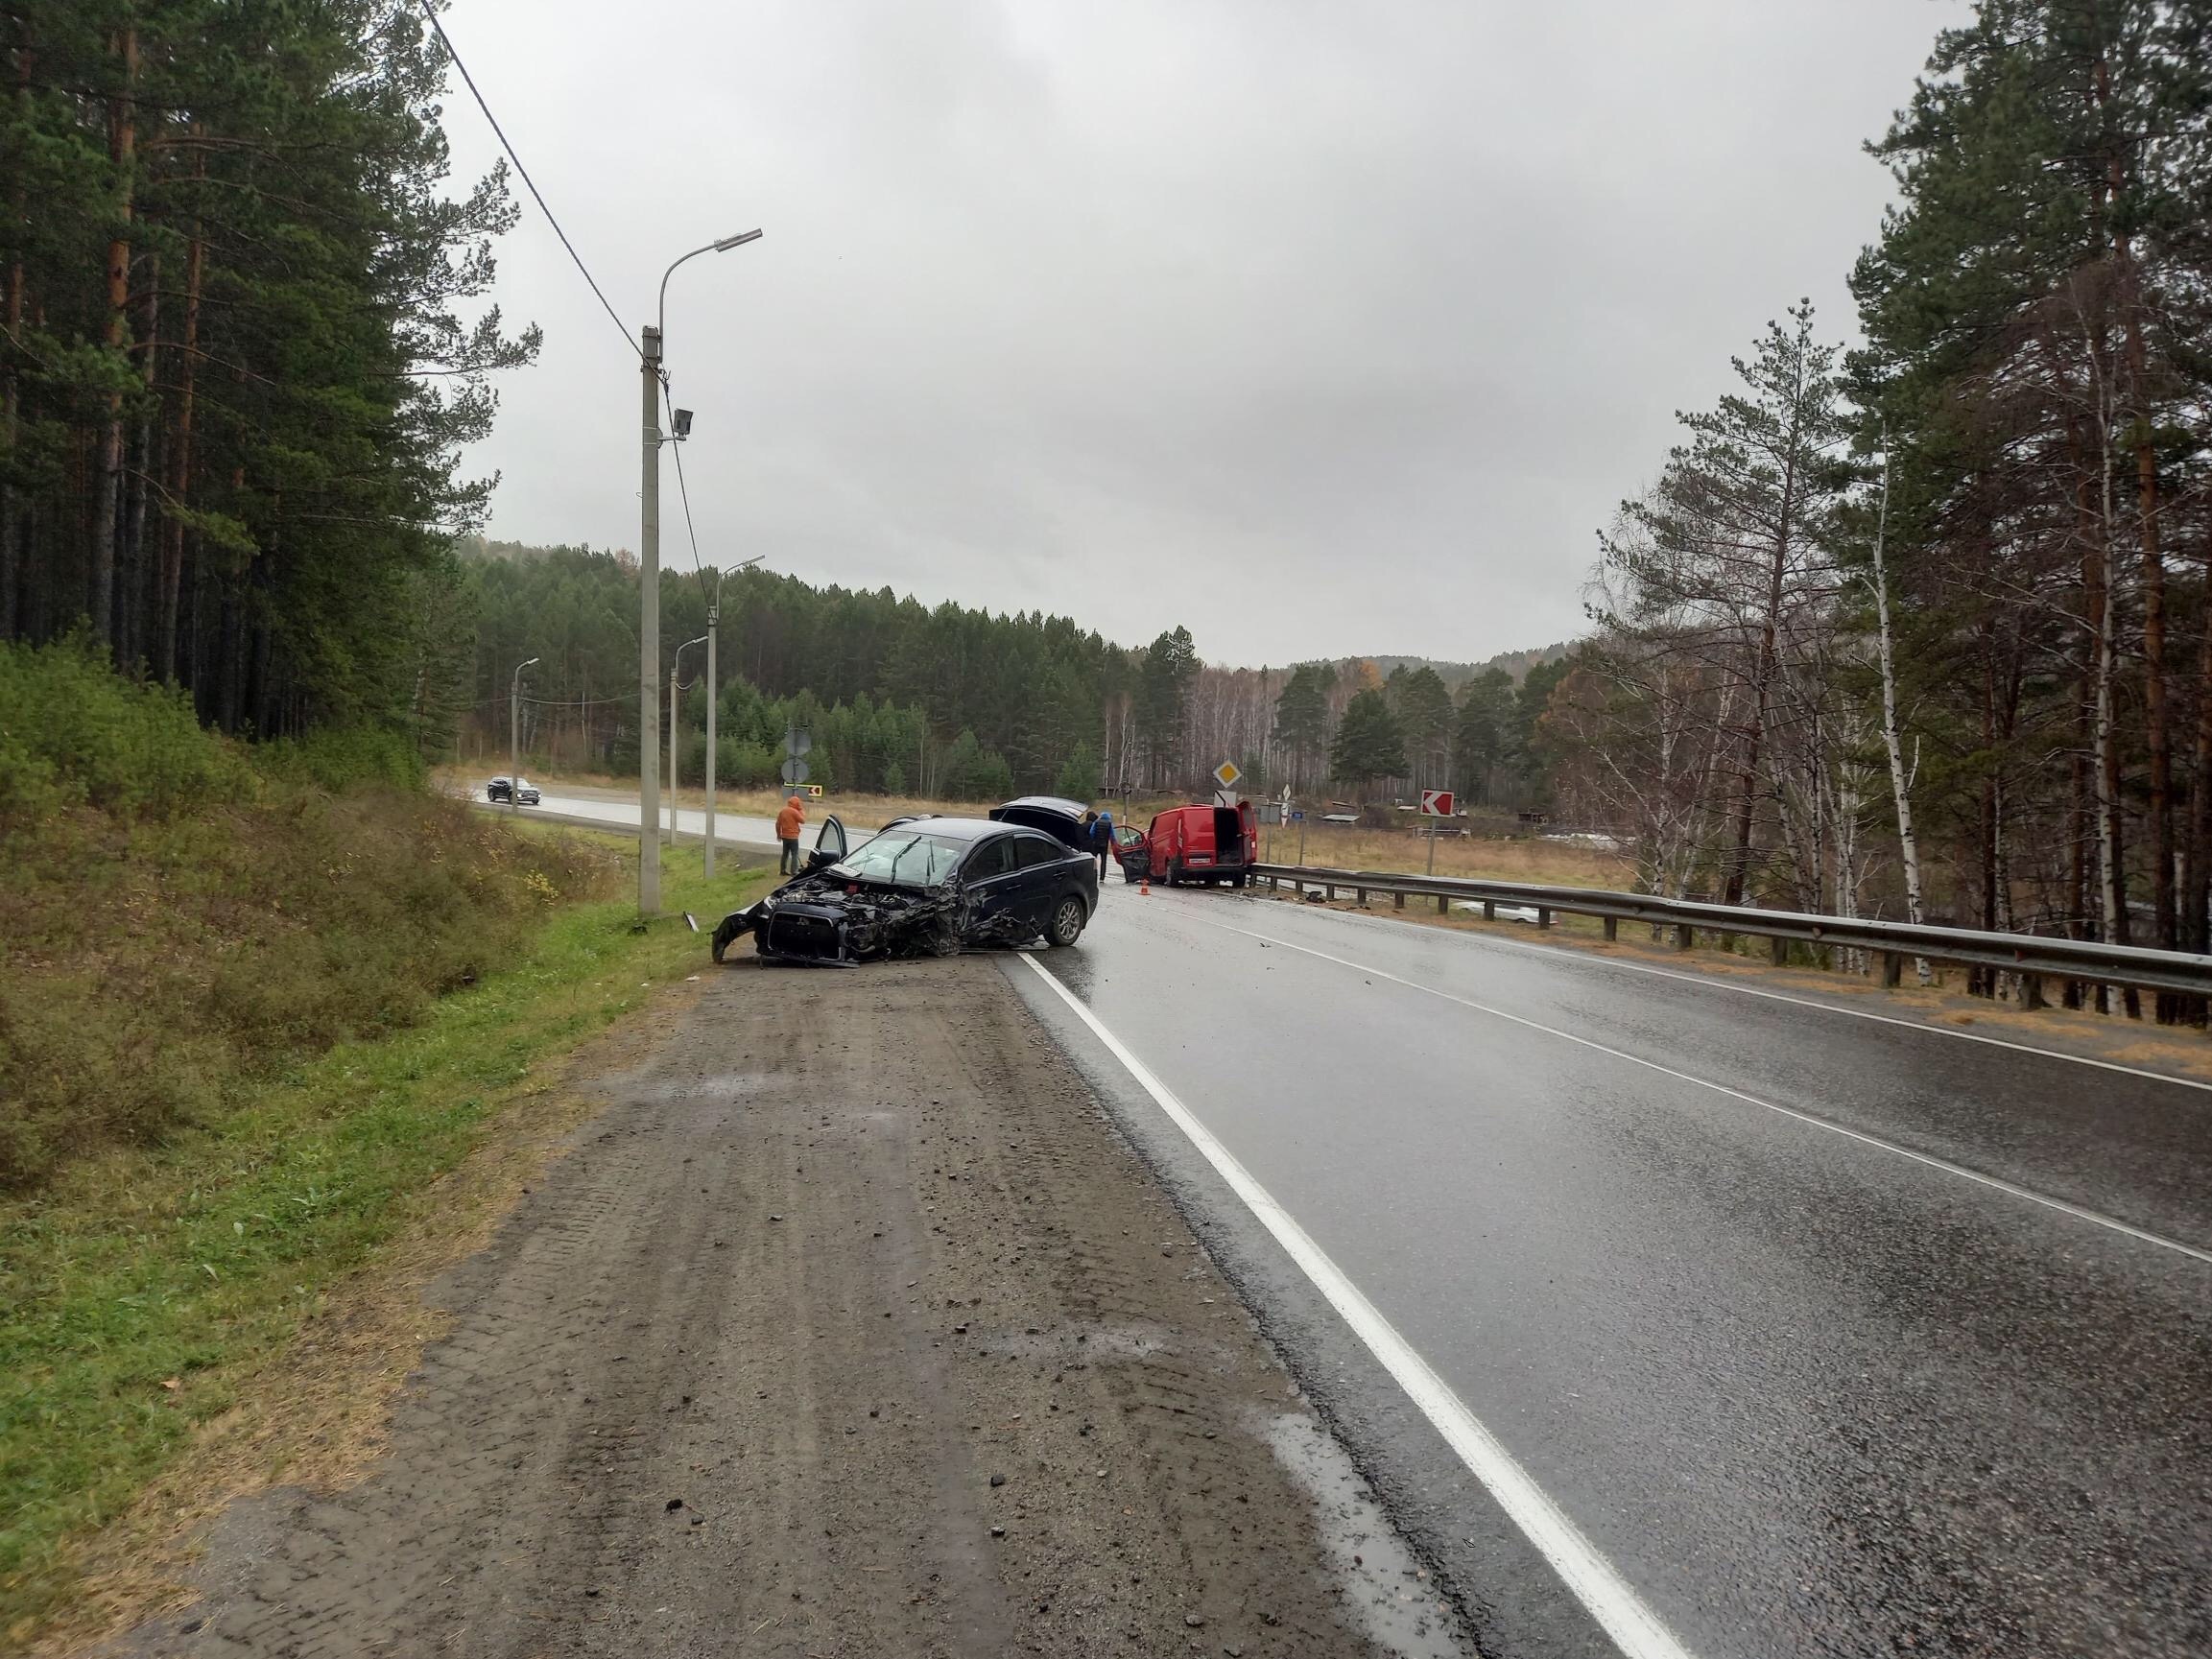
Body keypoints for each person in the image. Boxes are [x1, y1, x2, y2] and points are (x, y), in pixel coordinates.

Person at [775, 792, 807, 876]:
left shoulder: (783, 811)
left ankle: (782, 870)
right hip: (793, 837)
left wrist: (779, 835)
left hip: (784, 836)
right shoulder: (794, 811)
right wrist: (800, 810)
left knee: (785, 854)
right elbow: (803, 821)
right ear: (796, 804)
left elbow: (778, 824)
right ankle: (794, 871)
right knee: (794, 854)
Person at [1089, 804, 1114, 879]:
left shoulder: (1096, 822)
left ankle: (1093, 876)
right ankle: (1102, 878)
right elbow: (1112, 835)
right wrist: (1113, 843)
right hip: (1104, 845)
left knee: (1094, 860)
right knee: (1103, 862)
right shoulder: (1109, 824)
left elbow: (1091, 832)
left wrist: (1093, 839)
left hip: (1096, 844)